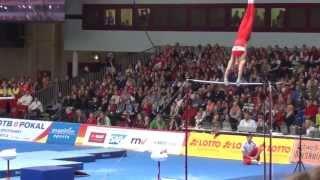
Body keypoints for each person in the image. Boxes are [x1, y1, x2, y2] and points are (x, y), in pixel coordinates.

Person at [224, 0, 256, 85]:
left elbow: (238, 68)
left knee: (250, 18)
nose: (235, 65)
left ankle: (251, 2)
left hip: (241, 42)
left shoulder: (238, 60)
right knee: (246, 18)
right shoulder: (234, 59)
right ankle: (250, 2)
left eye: (235, 66)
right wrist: (225, 79)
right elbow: (229, 68)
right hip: (237, 42)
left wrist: (237, 79)